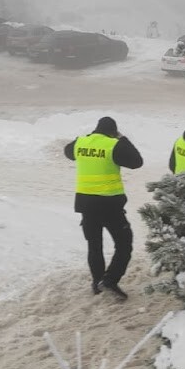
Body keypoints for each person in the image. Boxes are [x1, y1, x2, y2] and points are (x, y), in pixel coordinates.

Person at [63, 116, 144, 300]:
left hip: (86, 206)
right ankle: (109, 281)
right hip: (109, 205)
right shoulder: (113, 145)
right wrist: (123, 139)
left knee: (94, 246)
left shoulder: (81, 143)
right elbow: (137, 162)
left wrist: (85, 139)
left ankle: (97, 283)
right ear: (113, 132)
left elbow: (67, 151)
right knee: (124, 243)